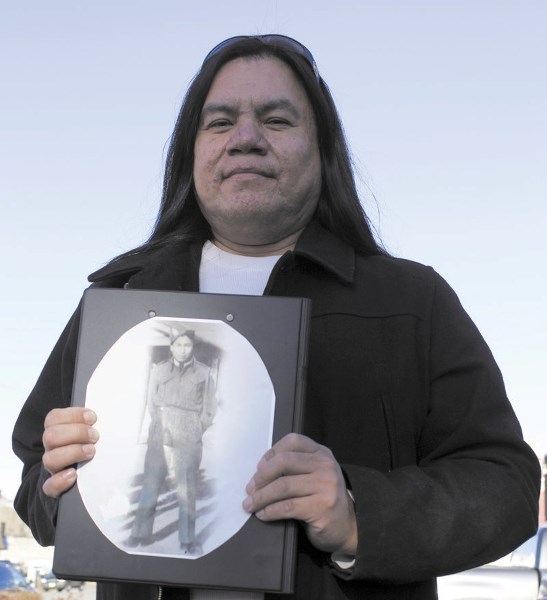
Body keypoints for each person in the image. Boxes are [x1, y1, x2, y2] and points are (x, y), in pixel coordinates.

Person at [12, 34, 540, 600]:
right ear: (191, 152)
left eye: (277, 120)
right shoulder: (116, 300)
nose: (245, 138)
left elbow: (505, 486)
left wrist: (359, 515)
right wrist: (56, 483)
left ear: (323, 149)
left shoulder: (412, 302)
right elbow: (34, 485)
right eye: (219, 122)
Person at [128, 330, 216, 553]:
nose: (183, 349)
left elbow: (210, 407)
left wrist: (197, 427)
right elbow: (151, 402)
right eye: (179, 345)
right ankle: (140, 534)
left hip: (189, 436)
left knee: (187, 490)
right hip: (161, 434)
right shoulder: (158, 370)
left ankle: (187, 540)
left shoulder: (204, 373)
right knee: (151, 484)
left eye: (187, 345)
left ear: (192, 347)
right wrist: (160, 423)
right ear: (171, 347)